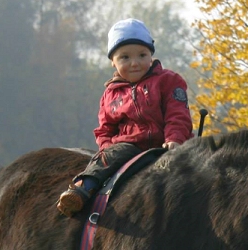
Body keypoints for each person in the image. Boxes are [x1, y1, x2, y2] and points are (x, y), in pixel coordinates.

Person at [56, 18, 194, 217]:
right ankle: (83, 188)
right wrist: (106, 147)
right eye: (125, 58)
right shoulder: (111, 94)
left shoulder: (168, 81)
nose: (135, 63)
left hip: (168, 143)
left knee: (203, 160)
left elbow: (178, 114)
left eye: (141, 55)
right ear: (113, 62)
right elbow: (105, 129)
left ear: (151, 55)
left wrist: (174, 139)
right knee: (109, 157)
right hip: (130, 146)